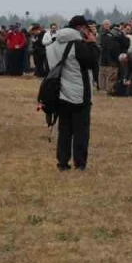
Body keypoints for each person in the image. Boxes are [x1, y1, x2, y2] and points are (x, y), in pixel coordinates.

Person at [45, 15, 101, 171]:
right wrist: (93, 44)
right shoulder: (77, 45)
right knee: (81, 131)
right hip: (79, 93)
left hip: (60, 92)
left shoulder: (54, 43)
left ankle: (62, 162)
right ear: (80, 28)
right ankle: (80, 163)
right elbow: (92, 61)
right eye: (86, 28)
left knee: (64, 130)